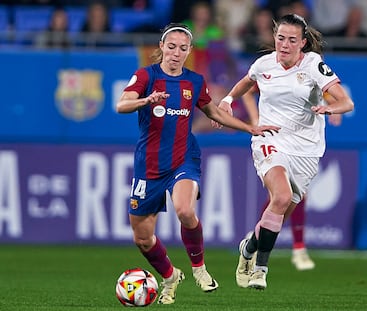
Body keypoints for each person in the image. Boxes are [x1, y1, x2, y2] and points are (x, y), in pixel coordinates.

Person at [116, 22, 278, 304]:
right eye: (171, 47)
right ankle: (169, 276)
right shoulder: (146, 76)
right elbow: (122, 105)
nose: (176, 53)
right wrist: (146, 100)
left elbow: (213, 111)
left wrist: (249, 127)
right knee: (143, 239)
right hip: (149, 165)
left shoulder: (194, 81)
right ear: (161, 48)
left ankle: (199, 269)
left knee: (185, 210)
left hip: (184, 158)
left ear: (189, 51)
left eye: (182, 48)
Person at [213, 13, 354, 289]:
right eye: (280, 38)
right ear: (274, 38)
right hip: (271, 138)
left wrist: (329, 108)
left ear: (302, 43)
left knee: (279, 210)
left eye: (292, 40)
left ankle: (249, 248)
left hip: (307, 150)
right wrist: (229, 99)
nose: (285, 45)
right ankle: (261, 270)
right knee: (281, 196)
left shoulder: (314, 65)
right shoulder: (264, 64)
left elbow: (345, 102)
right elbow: (247, 82)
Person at [241, 84, 343, 271]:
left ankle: (256, 237)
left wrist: (334, 107)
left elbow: (328, 93)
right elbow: (247, 90)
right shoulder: (273, 68)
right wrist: (255, 118)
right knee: (283, 195)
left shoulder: (313, 70)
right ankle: (296, 248)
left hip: (302, 142)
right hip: (275, 138)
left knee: (287, 197)